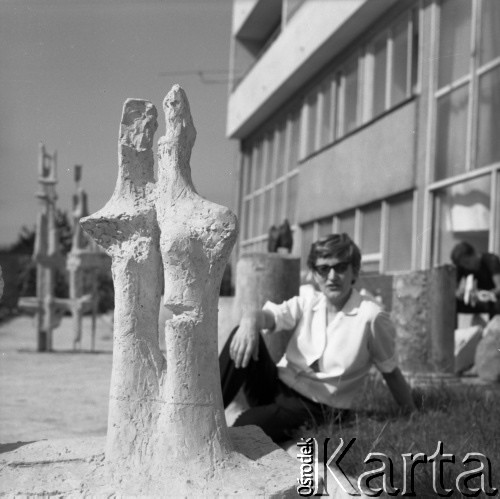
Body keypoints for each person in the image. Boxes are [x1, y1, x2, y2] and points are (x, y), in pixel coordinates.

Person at [219, 233, 415, 443]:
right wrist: (249, 321)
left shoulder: (371, 316)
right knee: (242, 334)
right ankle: (201, 411)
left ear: (354, 271)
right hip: (278, 386)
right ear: (314, 273)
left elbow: (390, 370)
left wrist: (411, 413)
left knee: (245, 427)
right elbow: (269, 317)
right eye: (323, 268)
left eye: (340, 267)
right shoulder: (309, 301)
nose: (332, 276)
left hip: (317, 406)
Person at [451, 241, 500, 318]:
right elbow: (454, 289)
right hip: (476, 301)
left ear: (474, 254)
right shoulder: (463, 267)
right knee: (453, 304)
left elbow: (499, 287)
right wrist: (460, 293)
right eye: (463, 265)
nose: (466, 267)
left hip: (493, 300)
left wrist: (486, 294)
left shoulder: (491, 260)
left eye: (467, 262)